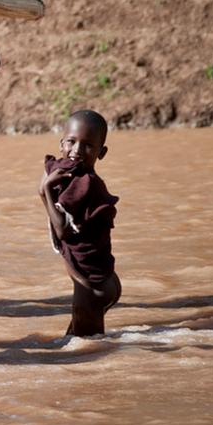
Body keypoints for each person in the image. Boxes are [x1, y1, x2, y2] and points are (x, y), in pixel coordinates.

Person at [39, 109, 121, 336]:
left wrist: (45, 190)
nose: (76, 151)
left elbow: (63, 231)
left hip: (91, 288)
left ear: (101, 152)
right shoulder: (69, 175)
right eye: (71, 142)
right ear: (61, 143)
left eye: (87, 145)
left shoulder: (86, 185)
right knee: (71, 344)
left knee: (86, 356)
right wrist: (46, 189)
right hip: (102, 279)